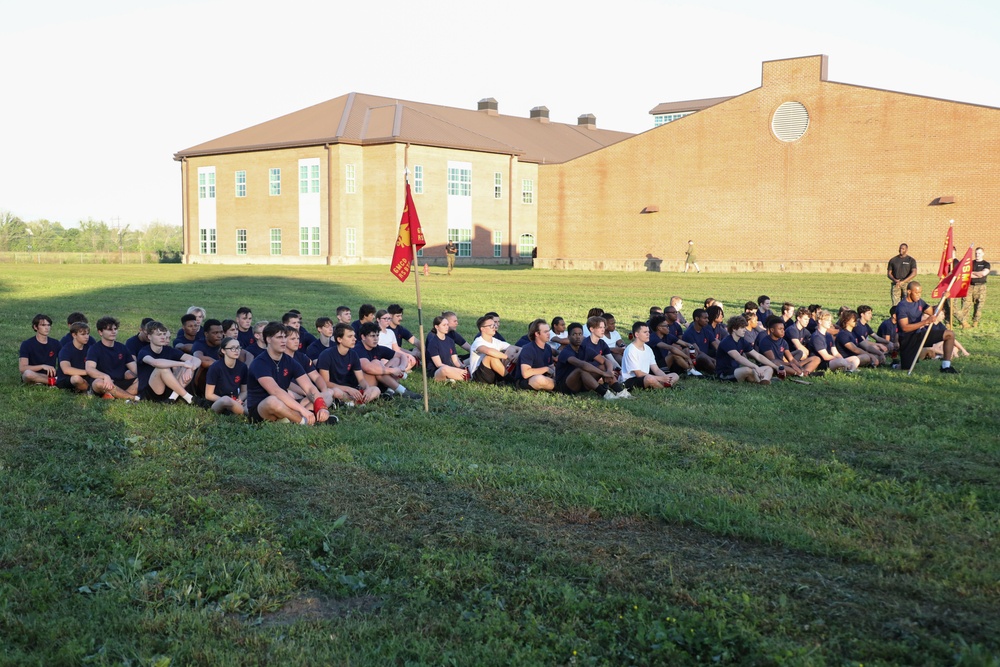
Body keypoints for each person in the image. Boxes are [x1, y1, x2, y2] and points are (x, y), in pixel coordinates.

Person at [247, 322, 335, 424]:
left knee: (326, 395)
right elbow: (276, 391)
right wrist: (303, 410)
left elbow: (309, 387)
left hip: (286, 405)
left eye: (285, 337)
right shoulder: (260, 363)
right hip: (262, 409)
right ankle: (305, 421)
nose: (283, 341)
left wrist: (321, 406)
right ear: (268, 339)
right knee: (272, 401)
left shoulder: (290, 361)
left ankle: (305, 417)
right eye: (279, 337)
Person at [135, 321, 207, 405]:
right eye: (159, 335)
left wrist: (191, 367)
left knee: (189, 365)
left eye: (164, 334)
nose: (163, 337)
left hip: (168, 390)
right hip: (150, 392)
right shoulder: (144, 351)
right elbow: (156, 363)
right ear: (149, 337)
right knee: (162, 369)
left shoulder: (169, 350)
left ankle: (172, 398)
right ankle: (189, 398)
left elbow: (197, 360)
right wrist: (183, 364)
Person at [896, 281, 959, 373]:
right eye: (916, 293)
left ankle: (946, 367)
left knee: (949, 334)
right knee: (906, 368)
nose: (919, 295)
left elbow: (934, 313)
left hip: (919, 334)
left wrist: (943, 298)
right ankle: (895, 365)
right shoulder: (902, 306)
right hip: (907, 339)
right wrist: (925, 322)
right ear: (909, 292)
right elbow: (904, 328)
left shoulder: (920, 302)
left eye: (920, 292)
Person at [316, 323, 381, 403]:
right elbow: (325, 383)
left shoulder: (353, 354)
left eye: (354, 336)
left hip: (353, 390)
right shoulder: (326, 355)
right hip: (338, 389)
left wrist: (367, 388)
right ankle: (355, 402)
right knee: (335, 392)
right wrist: (347, 389)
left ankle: (352, 402)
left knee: (376, 389)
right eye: (350, 336)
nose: (354, 339)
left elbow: (361, 379)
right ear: (339, 339)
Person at [355, 322, 420, 399]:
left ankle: (390, 390)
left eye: (377, 335)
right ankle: (402, 391)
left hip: (379, 381)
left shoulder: (377, 348)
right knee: (376, 363)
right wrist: (392, 370)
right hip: (364, 384)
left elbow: (402, 355)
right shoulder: (358, 348)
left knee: (396, 359)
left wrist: (401, 367)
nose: (376, 339)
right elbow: (368, 368)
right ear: (363, 337)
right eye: (372, 336)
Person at [554, 323, 619, 399]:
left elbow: (605, 361)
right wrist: (603, 373)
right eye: (574, 334)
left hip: (581, 383)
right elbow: (582, 365)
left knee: (603, 366)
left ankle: (621, 392)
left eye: (580, 334)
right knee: (581, 369)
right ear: (568, 337)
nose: (578, 337)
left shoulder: (584, 348)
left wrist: (609, 371)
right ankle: (605, 393)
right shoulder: (566, 351)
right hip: (565, 386)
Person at [86, 316, 139, 400]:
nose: (113, 332)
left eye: (115, 329)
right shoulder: (94, 349)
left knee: (141, 380)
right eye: (109, 329)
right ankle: (131, 397)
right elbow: (89, 369)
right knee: (98, 383)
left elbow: (134, 368)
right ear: (100, 332)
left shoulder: (122, 347)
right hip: (103, 382)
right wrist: (105, 376)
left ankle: (116, 396)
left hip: (119, 382)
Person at [715, 315, 773, 384]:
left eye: (745, 327)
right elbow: (738, 358)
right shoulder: (727, 342)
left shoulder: (742, 341)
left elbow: (758, 356)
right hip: (725, 374)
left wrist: (776, 367)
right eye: (742, 328)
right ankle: (759, 379)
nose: (745, 330)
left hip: (737, 371)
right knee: (748, 370)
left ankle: (764, 381)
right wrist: (755, 366)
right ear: (734, 329)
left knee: (769, 368)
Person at [621, 321, 679, 390]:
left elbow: (656, 369)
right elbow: (638, 374)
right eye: (645, 332)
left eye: (648, 332)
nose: (648, 334)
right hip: (631, 380)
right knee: (650, 378)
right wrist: (660, 378)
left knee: (675, 375)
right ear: (637, 334)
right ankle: (665, 389)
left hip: (646, 376)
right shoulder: (631, 350)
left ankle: (665, 384)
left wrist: (665, 378)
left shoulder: (648, 348)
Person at [582, 316, 630, 398]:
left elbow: (611, 360)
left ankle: (619, 391)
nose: (603, 330)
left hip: (600, 371)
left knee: (607, 368)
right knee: (603, 367)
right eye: (600, 327)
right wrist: (608, 372)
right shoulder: (586, 344)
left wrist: (620, 371)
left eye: (604, 327)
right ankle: (617, 391)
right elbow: (599, 362)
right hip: (587, 375)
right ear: (591, 329)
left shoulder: (602, 343)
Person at [205, 336, 248, 414]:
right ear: (223, 350)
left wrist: (239, 399)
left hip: (235, 401)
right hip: (218, 402)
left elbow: (244, 391)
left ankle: (243, 411)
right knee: (226, 400)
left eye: (238, 348)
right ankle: (246, 414)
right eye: (232, 348)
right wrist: (231, 401)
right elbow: (208, 395)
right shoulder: (215, 367)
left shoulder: (243, 367)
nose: (236, 351)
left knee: (251, 399)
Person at [19, 314, 62, 385]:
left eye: (48, 325)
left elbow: (64, 360)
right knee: (27, 374)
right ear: (35, 327)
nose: (47, 328)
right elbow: (22, 368)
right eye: (43, 325)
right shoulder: (27, 344)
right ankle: (55, 382)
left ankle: (43, 381)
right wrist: (42, 366)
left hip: (50, 374)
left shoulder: (55, 343)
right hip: (33, 373)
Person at [468, 315, 512, 385]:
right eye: (491, 326)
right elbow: (489, 351)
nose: (494, 327)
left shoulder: (496, 341)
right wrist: (507, 357)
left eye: (494, 325)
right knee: (490, 356)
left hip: (492, 374)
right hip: (479, 376)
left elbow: (512, 347)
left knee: (513, 352)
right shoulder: (478, 342)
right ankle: (511, 380)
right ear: (482, 329)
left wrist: (520, 351)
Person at [424, 316, 468, 382]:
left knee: (468, 364)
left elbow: (455, 360)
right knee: (444, 369)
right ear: (437, 327)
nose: (447, 327)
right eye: (444, 325)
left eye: (447, 325)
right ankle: (464, 377)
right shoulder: (433, 342)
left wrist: (463, 367)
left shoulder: (450, 341)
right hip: (437, 370)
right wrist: (456, 370)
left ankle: (457, 377)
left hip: (451, 367)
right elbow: (438, 364)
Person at [516, 319, 556, 391]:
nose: (548, 334)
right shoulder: (528, 349)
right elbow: (525, 373)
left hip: (545, 377)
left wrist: (554, 372)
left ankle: (556, 384)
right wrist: (546, 369)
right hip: (527, 380)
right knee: (539, 379)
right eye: (545, 332)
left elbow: (551, 366)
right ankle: (557, 386)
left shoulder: (548, 347)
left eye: (549, 331)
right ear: (537, 334)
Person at [957, 247, 990, 328]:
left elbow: (983, 274)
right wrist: (976, 273)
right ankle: (964, 322)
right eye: (976, 253)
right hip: (969, 286)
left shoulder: (986, 264)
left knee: (979, 305)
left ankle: (975, 322)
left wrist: (972, 273)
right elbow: (965, 274)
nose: (977, 255)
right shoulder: (970, 263)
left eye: (979, 253)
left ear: (983, 254)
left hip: (981, 287)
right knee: (966, 304)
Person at [56, 321, 93, 392]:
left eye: (88, 334)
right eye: (83, 334)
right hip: (67, 379)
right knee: (76, 378)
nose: (86, 337)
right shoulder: (66, 349)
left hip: (86, 377)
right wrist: (89, 372)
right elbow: (66, 369)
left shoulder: (90, 348)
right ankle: (90, 391)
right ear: (74, 335)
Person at [191, 319, 224, 393]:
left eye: (221, 332)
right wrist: (222, 367)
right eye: (215, 333)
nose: (219, 336)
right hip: (202, 382)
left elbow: (245, 354)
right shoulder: (199, 344)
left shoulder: (225, 343)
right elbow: (200, 359)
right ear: (206, 334)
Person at [681, 308, 716, 373]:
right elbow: (698, 351)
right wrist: (712, 359)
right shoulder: (689, 333)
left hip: (706, 356)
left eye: (707, 318)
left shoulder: (706, 331)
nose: (707, 320)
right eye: (705, 318)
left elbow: (716, 345)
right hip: (695, 359)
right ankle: (717, 372)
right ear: (697, 318)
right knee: (703, 357)